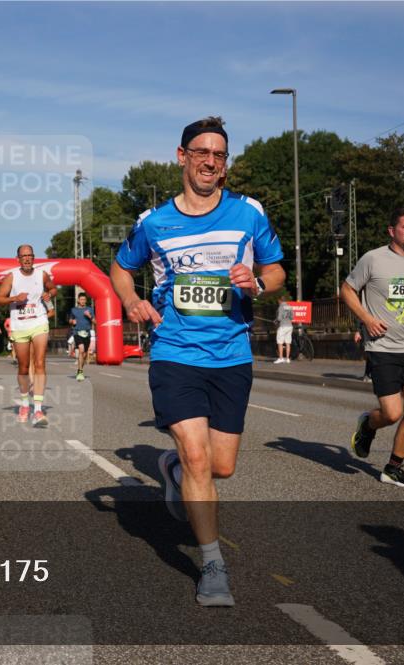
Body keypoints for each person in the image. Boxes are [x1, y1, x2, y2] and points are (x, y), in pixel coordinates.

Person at [110, 116, 285, 607]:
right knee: (198, 457)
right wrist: (132, 301)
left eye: (220, 155)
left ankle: (169, 468)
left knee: (221, 467)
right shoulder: (153, 222)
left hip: (231, 354)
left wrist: (257, 283)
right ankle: (212, 564)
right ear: (182, 156)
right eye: (202, 152)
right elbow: (120, 269)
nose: (211, 161)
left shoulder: (248, 213)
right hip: (176, 351)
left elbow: (276, 272)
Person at [342, 207, 404, 488]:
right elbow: (347, 290)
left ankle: (393, 468)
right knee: (392, 413)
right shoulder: (373, 259)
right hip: (382, 347)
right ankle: (368, 425)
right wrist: (366, 319)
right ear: (392, 230)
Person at [0, 244, 57, 427]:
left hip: (39, 322)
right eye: (24, 256)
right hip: (20, 325)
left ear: (33, 257)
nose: (27, 259)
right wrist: (14, 298)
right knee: (23, 367)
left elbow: (53, 289)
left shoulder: (41, 275)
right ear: (18, 259)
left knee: (40, 363)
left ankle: (37, 410)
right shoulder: (12, 276)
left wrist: (49, 294)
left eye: (30, 255)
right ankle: (24, 404)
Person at [69, 293, 95, 380]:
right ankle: (80, 372)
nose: (83, 301)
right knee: (81, 349)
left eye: (84, 300)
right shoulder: (73, 310)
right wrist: (72, 322)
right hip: (77, 332)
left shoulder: (90, 309)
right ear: (78, 300)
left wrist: (89, 316)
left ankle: (80, 369)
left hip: (87, 333)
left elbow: (95, 322)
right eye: (81, 299)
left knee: (84, 354)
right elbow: (70, 320)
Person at [274, 293, 294, 363]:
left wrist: (275, 321)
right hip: (290, 326)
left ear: (280, 300)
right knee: (288, 343)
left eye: (278, 301)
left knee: (280, 342)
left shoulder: (281, 307)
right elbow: (292, 317)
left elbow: (279, 318)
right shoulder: (290, 307)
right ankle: (287, 359)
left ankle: (281, 358)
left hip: (283, 326)